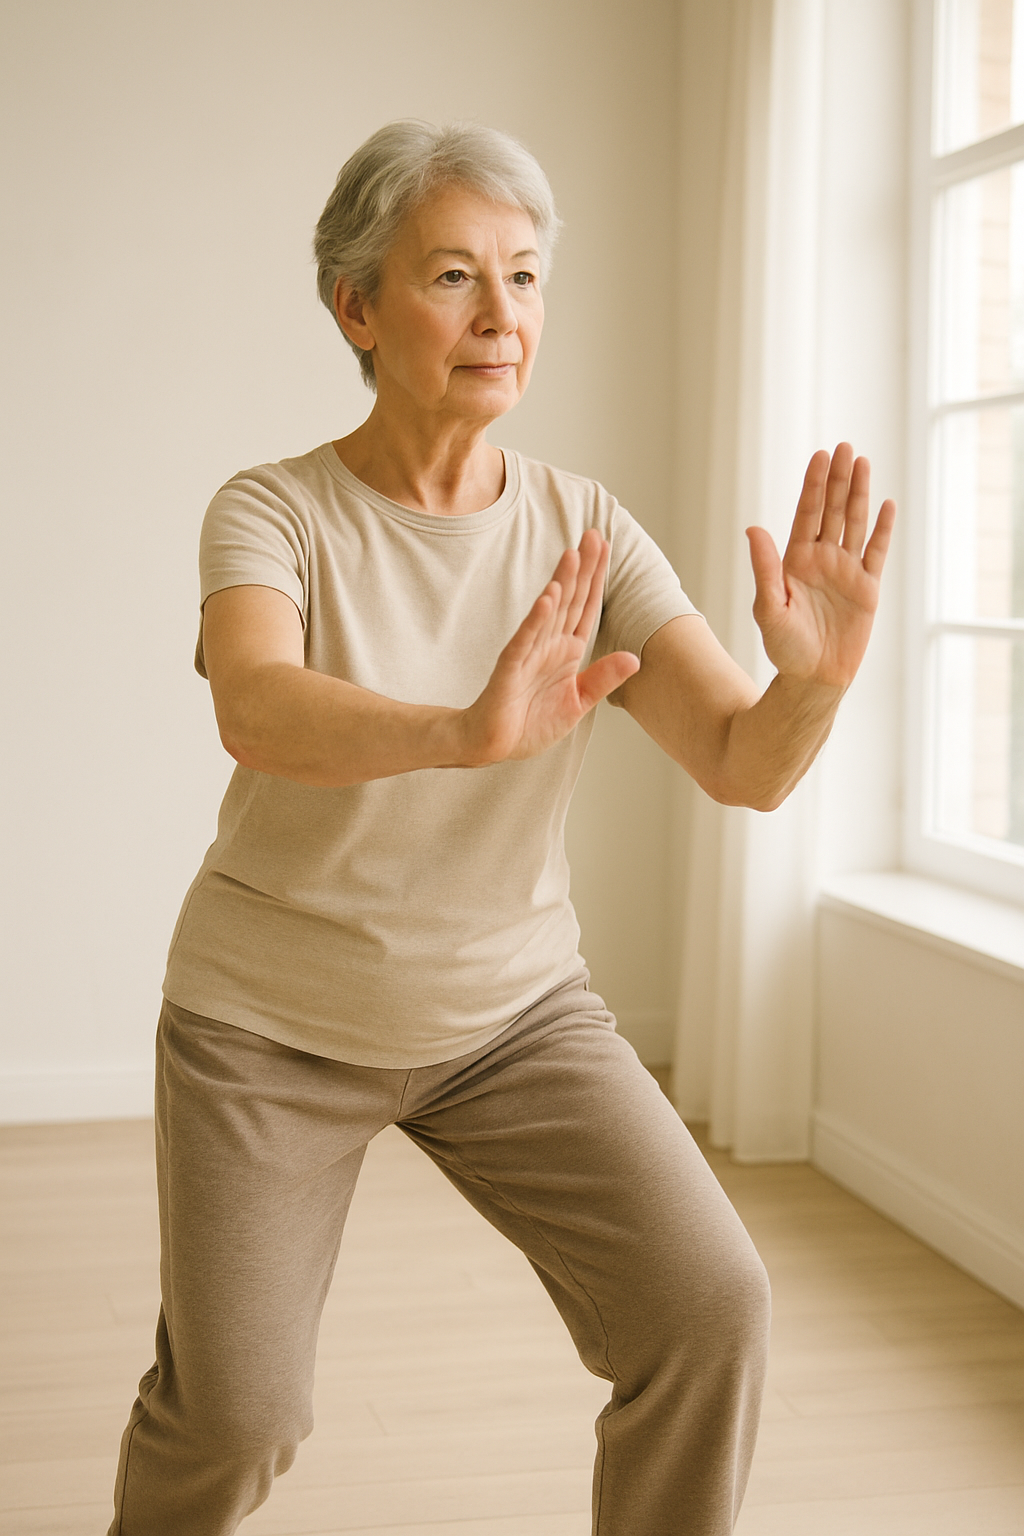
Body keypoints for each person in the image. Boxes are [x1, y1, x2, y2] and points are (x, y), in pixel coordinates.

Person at [107, 120, 895, 1536]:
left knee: (709, 1309)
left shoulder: (587, 529)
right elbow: (258, 706)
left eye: (525, 281)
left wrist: (814, 682)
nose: (500, 317)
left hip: (511, 1018)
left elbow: (741, 761)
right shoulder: (274, 512)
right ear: (356, 305)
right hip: (269, 1026)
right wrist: (461, 731)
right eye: (455, 277)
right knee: (237, 1418)